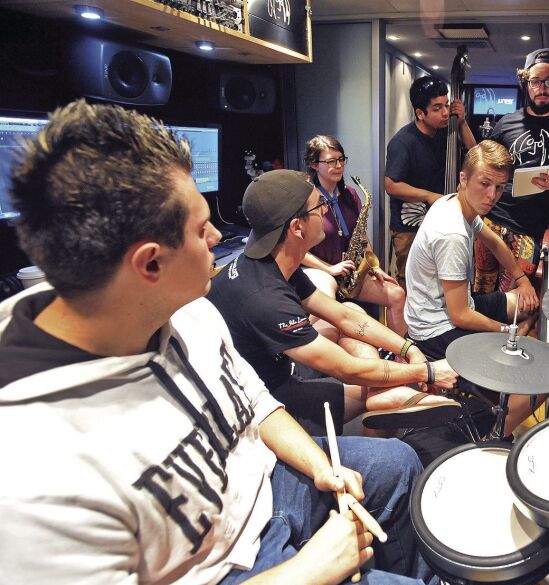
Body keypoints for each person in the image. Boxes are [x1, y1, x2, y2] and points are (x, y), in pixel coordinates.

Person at [0, 100, 436, 585]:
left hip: (268, 481)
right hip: (226, 569)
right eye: (200, 227)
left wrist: (319, 465)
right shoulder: (30, 475)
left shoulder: (190, 309)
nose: (215, 237)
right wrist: (307, 571)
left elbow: (254, 403)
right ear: (149, 264)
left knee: (396, 463)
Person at [207, 169, 461, 434]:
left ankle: (382, 396)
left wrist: (408, 348)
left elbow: (342, 316)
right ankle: (384, 403)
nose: (327, 212)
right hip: (261, 402)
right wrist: (428, 372)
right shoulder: (265, 298)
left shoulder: (271, 263)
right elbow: (346, 368)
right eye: (320, 206)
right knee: (380, 394)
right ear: (297, 227)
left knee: (350, 308)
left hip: (272, 367)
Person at [404, 140, 542, 436]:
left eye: (500, 187)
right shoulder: (451, 233)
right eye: (485, 184)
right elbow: (461, 316)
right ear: (464, 179)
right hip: (436, 329)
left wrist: (522, 279)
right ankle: (490, 437)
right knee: (538, 385)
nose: (492, 196)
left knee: (527, 304)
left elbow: (493, 240)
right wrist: (508, 333)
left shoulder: (454, 201)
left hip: (454, 307)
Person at [474, 48, 549, 295]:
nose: (541, 88)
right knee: (481, 292)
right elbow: (485, 166)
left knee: (516, 298)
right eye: (535, 81)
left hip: (529, 230)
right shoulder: (506, 123)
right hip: (491, 220)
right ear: (526, 84)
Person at [300, 135, 408, 337]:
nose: (339, 165)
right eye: (331, 161)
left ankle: (400, 354)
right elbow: (298, 252)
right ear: (314, 165)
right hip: (320, 271)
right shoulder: (307, 200)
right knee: (328, 306)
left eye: (341, 159)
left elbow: (362, 238)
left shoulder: (350, 194)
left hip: (348, 273)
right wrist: (329, 269)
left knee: (397, 293)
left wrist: (375, 268)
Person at [385, 75, 477, 290]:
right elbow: (391, 184)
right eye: (437, 108)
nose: (445, 112)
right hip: (410, 226)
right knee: (412, 281)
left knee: (442, 279)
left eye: (446, 105)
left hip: (443, 218)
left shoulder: (448, 130)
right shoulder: (403, 142)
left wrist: (461, 121)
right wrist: (428, 196)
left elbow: (474, 155)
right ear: (420, 113)